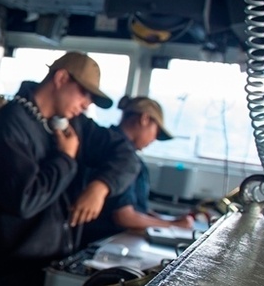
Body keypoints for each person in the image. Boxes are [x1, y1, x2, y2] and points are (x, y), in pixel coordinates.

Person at [0, 51, 140, 286]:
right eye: (84, 93)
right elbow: (24, 201)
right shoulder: (10, 124)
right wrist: (65, 159)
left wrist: (101, 186)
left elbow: (126, 155)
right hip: (11, 274)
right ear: (61, 78)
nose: (86, 104)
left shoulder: (73, 124)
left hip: (50, 269)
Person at [80, 96, 195, 247]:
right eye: (156, 132)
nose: (154, 139)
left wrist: (165, 220)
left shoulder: (109, 144)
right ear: (144, 119)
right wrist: (173, 225)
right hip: (101, 242)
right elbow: (124, 216)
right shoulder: (120, 157)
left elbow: (135, 207)